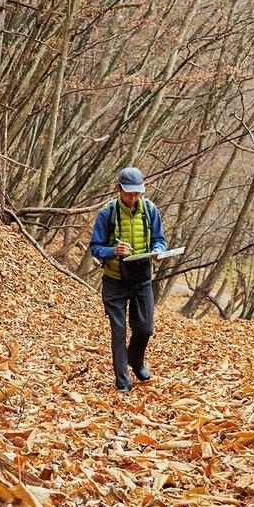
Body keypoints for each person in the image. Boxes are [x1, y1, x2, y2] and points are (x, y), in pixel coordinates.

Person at [89, 166, 166, 392]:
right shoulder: (107, 213)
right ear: (119, 189)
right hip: (114, 281)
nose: (133, 198)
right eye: (129, 193)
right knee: (119, 330)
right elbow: (95, 247)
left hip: (142, 279)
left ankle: (136, 361)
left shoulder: (150, 210)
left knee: (145, 329)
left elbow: (159, 240)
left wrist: (159, 251)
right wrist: (114, 251)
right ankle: (123, 382)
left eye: (137, 193)